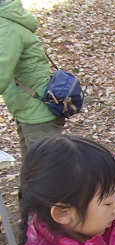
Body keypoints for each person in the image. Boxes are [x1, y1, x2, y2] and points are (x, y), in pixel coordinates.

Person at [0, 0, 64, 158]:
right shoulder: (10, 20)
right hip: (28, 107)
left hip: (37, 111)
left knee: (45, 172)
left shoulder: (6, 27)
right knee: (31, 171)